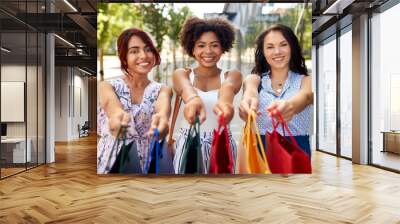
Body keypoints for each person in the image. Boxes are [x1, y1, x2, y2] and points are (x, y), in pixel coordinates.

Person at [172, 17, 242, 174]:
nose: (208, 51)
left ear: (223, 47)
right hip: (188, 143)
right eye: (201, 45)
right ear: (192, 49)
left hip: (222, 143)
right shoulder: (182, 74)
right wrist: (193, 99)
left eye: (214, 45)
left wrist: (224, 105)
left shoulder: (232, 75)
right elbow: (185, 88)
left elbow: (228, 88)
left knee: (221, 193)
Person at [97, 28, 172, 174]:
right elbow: (112, 106)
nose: (143, 55)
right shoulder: (107, 86)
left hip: (149, 163)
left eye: (148, 49)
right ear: (124, 57)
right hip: (111, 161)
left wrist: (162, 122)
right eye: (134, 51)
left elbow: (163, 110)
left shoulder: (163, 89)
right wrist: (117, 119)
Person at [239, 24, 313, 156]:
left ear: (292, 47)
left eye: (283, 45)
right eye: (270, 47)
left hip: (296, 151)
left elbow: (306, 96)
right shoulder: (254, 79)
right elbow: (250, 92)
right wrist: (248, 103)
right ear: (263, 52)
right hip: (259, 151)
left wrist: (290, 106)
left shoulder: (307, 81)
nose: (277, 51)